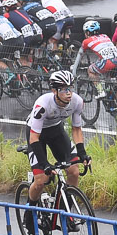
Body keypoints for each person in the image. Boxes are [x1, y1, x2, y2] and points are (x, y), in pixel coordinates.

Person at [23, 70, 91, 219]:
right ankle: (29, 211)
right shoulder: (43, 104)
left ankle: (64, 210)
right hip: (36, 135)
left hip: (56, 131)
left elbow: (76, 129)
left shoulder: (77, 102)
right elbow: (34, 138)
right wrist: (45, 163)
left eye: (70, 88)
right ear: (54, 91)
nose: (69, 93)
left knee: (73, 171)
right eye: (64, 89)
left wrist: (82, 152)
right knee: (41, 181)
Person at [78, 20, 117, 93]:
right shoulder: (105, 36)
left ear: (87, 32)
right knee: (113, 85)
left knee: (90, 70)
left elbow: (80, 55)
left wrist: (75, 65)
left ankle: (100, 91)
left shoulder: (86, 41)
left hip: (108, 63)